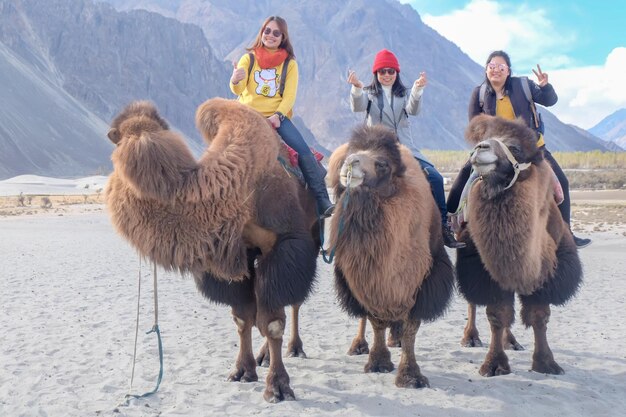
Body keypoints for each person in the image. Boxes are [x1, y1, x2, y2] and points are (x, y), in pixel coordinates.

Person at [446, 50, 591, 248]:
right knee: (464, 176)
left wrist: (545, 87)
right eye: (492, 67)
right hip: (496, 152)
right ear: (486, 70)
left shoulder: (524, 86)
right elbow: (473, 125)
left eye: (501, 67)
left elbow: (550, 101)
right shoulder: (479, 93)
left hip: (531, 149)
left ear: (508, 71)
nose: (496, 70)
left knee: (561, 183)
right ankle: (448, 227)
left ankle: (567, 236)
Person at [347, 49, 465, 249]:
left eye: (391, 71)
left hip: (406, 150)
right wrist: (357, 88)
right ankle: (351, 227)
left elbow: (413, 109)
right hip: (377, 150)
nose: (386, 75)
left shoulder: (404, 95)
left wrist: (418, 89)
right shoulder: (368, 94)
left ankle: (444, 227)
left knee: (435, 178)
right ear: (376, 73)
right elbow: (357, 107)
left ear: (397, 73)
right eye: (382, 71)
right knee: (352, 179)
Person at [229, 16, 334, 218]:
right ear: (262, 32)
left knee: (303, 150)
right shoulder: (248, 59)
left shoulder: (289, 64)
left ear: (283, 37)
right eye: (267, 31)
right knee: (223, 149)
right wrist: (234, 80)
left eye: (276, 33)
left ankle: (321, 199)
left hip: (277, 117)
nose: (270, 35)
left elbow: (289, 96)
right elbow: (238, 89)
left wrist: (278, 115)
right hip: (248, 117)